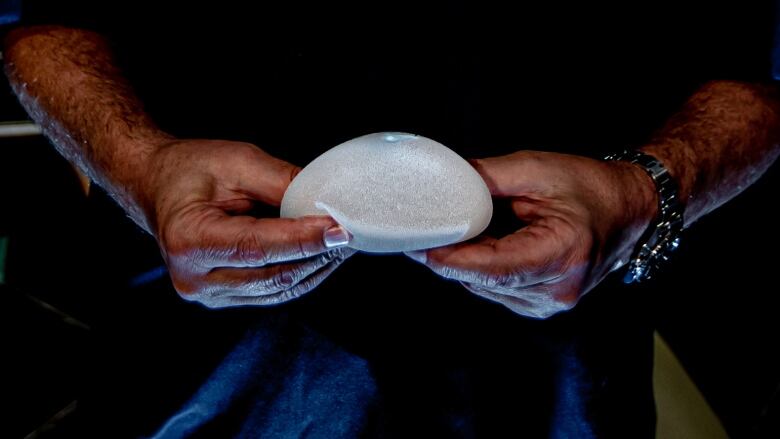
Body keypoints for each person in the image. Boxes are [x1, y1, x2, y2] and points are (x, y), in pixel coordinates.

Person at [3, 1, 779, 437]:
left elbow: (758, 81)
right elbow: (38, 20)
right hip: (206, 332)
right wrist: (136, 162)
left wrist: (646, 194)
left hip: (555, 344)